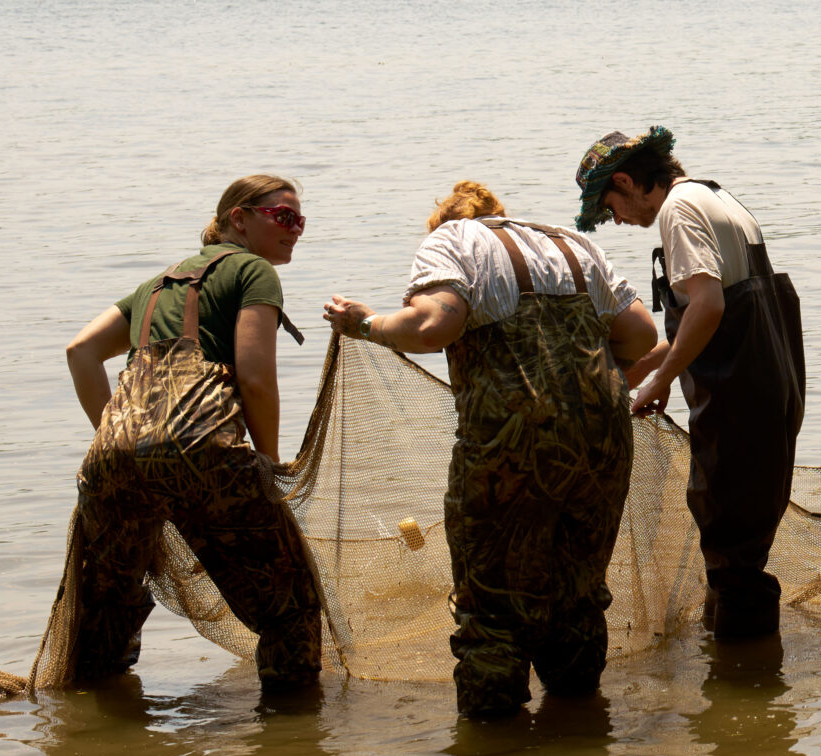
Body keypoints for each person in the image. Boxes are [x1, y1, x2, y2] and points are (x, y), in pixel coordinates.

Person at [322, 181, 657, 717]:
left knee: (492, 608)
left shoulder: (452, 240)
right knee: (578, 595)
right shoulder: (572, 244)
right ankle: (580, 725)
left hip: (510, 452)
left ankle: (495, 747)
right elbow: (640, 334)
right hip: (602, 447)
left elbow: (432, 325)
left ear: (447, 221)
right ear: (501, 215)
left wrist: (364, 323)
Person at [54, 173, 323, 693]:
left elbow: (80, 352)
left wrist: (125, 437)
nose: (296, 229)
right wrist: (268, 464)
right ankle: (291, 730)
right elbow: (255, 378)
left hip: (110, 460)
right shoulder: (253, 271)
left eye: (301, 221)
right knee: (288, 605)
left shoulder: (155, 286)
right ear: (239, 219)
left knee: (106, 607)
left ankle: (94, 718)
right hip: (203, 452)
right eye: (284, 217)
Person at [576, 130, 808, 642]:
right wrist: (636, 373)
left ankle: (743, 680)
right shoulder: (716, 197)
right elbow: (715, 322)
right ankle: (741, 670)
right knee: (738, 553)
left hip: (740, 408)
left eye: (610, 207)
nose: (617, 220)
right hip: (772, 396)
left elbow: (708, 306)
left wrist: (661, 378)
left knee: (733, 560)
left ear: (626, 181)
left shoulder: (677, 212)